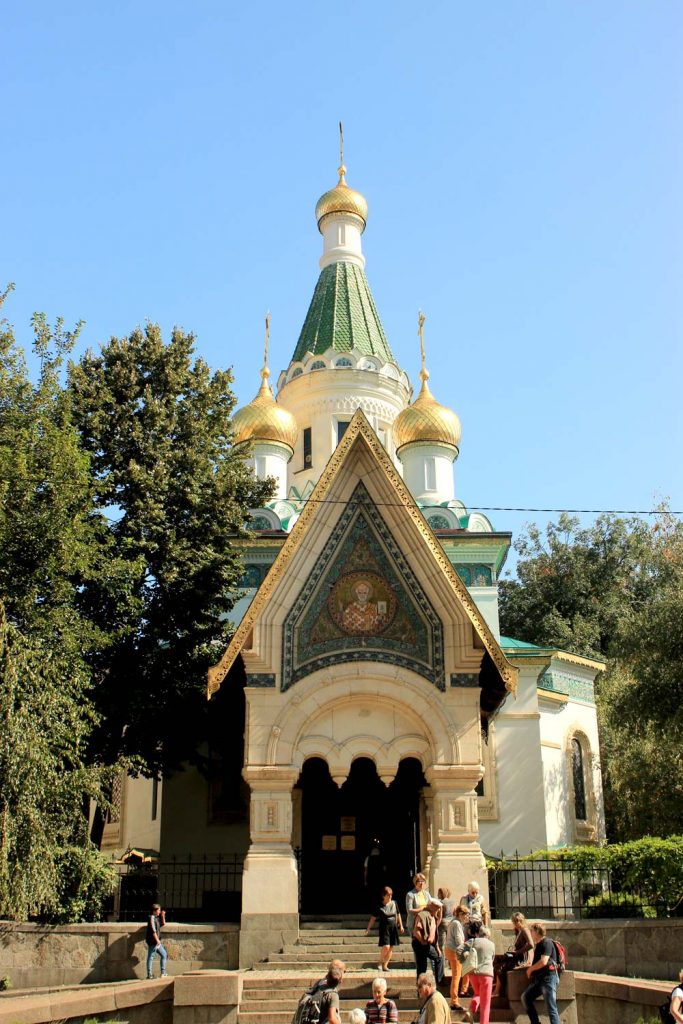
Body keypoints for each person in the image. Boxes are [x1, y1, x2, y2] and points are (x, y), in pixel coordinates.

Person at [522, 923, 560, 1024]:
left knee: (551, 1008)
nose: (530, 933)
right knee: (526, 997)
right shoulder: (538, 944)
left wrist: (530, 970)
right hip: (539, 980)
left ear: (537, 932)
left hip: (548, 979)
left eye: (532, 931)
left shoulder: (546, 942)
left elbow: (544, 961)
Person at [493, 912, 534, 997]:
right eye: (514, 921)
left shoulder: (524, 930)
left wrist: (517, 952)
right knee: (497, 960)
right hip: (517, 955)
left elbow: (531, 945)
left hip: (522, 958)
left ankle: (497, 991)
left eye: (518, 921)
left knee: (502, 967)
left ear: (522, 921)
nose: (516, 923)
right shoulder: (517, 931)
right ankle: (497, 988)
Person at [366, 886, 404, 972]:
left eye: (391, 895)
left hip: (393, 927)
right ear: (383, 896)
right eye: (388, 895)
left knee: (391, 947)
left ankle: (385, 965)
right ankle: (380, 962)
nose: (390, 897)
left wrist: (400, 926)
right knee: (386, 946)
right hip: (384, 928)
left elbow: (398, 914)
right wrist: (368, 928)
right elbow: (373, 918)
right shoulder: (379, 906)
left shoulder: (394, 903)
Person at [465, 924, 495, 1024]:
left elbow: (459, 950)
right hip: (486, 974)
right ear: (488, 935)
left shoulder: (472, 941)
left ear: (479, 933)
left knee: (477, 993)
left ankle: (471, 1009)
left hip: (473, 974)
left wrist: (464, 959)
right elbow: (492, 959)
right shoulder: (491, 944)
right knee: (485, 1004)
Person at [444, 904, 470, 1010]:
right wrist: (465, 951)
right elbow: (459, 940)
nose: (467, 917)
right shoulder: (457, 924)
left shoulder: (454, 922)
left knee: (464, 971)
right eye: (466, 915)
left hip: (450, 950)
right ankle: (454, 1001)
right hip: (454, 951)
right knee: (456, 975)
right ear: (460, 914)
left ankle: (463, 990)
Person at [412, 898, 443, 982]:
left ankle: (436, 982)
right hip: (420, 944)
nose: (438, 909)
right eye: (436, 907)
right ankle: (438, 981)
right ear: (430, 906)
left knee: (423, 966)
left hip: (424, 944)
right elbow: (416, 931)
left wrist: (437, 948)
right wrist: (422, 941)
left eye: (439, 907)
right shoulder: (423, 915)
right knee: (423, 967)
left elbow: (434, 933)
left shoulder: (432, 916)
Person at [309, 959, 347, 1024]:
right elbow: (332, 1018)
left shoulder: (319, 983)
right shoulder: (332, 994)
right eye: (344, 971)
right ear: (339, 974)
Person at [145, 903, 168, 979]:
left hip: (157, 942)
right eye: (159, 910)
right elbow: (153, 931)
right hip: (153, 942)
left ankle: (163, 973)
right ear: (154, 911)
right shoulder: (151, 918)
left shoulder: (156, 918)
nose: (160, 911)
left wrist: (163, 915)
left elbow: (163, 923)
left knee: (164, 954)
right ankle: (149, 975)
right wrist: (157, 940)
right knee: (151, 957)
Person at [436, 886, 456, 953]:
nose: (437, 895)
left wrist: (436, 925)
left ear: (442, 894)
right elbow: (454, 912)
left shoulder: (441, 902)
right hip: (451, 923)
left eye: (438, 893)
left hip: (443, 923)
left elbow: (440, 915)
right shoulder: (452, 901)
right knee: (450, 944)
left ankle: (442, 962)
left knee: (441, 945)